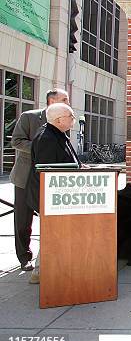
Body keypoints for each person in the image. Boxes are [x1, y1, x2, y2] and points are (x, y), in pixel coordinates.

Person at [10, 89, 70, 272]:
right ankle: (24, 257)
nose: (68, 102)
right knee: (23, 218)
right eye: (64, 99)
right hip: (25, 175)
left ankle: (47, 257)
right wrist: (40, 147)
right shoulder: (29, 117)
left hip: (49, 178)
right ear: (52, 101)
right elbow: (17, 141)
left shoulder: (62, 118)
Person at [25, 103, 81, 284]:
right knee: (52, 234)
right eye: (70, 116)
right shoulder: (47, 138)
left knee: (56, 233)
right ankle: (40, 272)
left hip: (57, 198)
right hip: (50, 198)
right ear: (59, 120)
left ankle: (45, 270)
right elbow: (48, 171)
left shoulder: (57, 134)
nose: (73, 119)